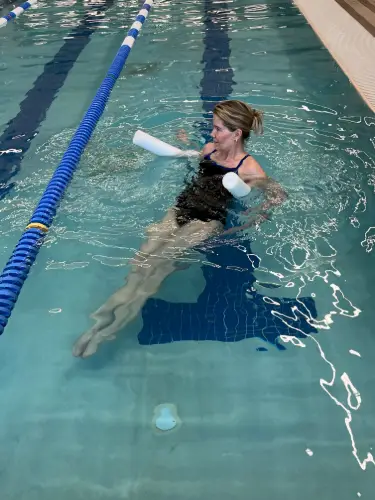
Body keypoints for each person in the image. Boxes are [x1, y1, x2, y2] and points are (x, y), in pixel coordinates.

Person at [72, 100, 287, 358]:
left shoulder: (249, 169)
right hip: (180, 209)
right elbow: (197, 165)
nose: (212, 134)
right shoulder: (209, 150)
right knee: (140, 261)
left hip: (206, 222)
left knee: (158, 266)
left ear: (236, 133)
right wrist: (186, 147)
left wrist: (258, 214)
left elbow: (277, 194)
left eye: (218, 129)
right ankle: (103, 316)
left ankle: (109, 329)